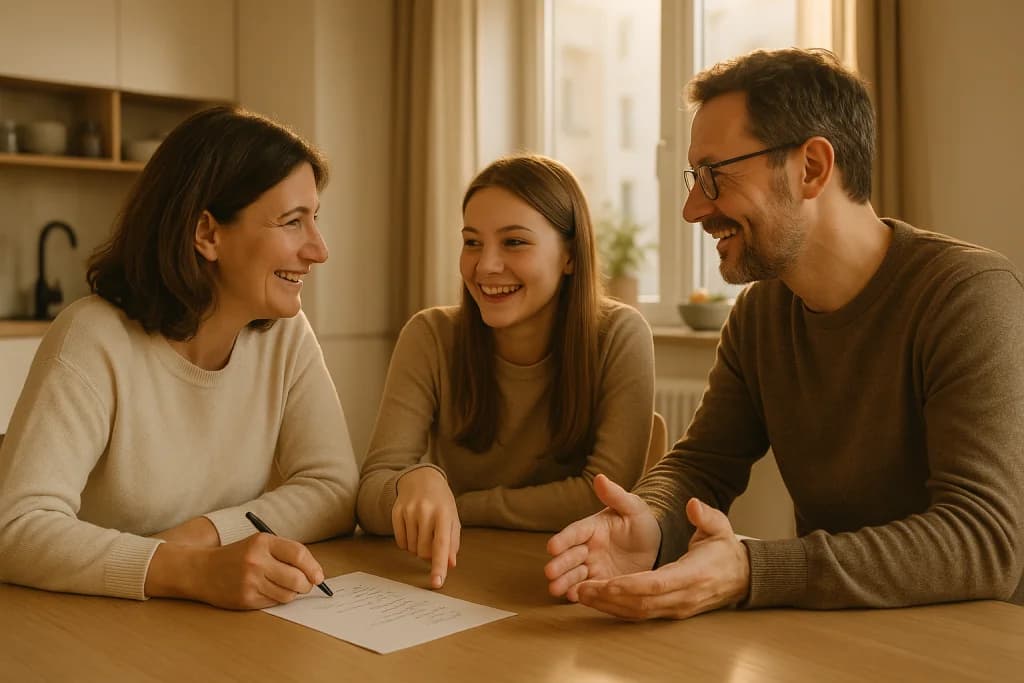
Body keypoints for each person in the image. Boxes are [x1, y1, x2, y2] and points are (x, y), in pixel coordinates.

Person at [545, 48, 1024, 618]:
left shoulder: (968, 294)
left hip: (976, 647)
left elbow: (984, 542)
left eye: (714, 175)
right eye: (694, 177)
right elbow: (702, 465)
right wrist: (648, 521)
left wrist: (753, 570)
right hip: (835, 635)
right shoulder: (760, 313)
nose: (693, 209)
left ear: (813, 168)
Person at [0, 106, 359, 609]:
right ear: (207, 234)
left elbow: (335, 489)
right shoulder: (93, 338)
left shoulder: (285, 335)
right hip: (89, 629)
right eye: (292, 222)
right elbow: (16, 528)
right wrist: (191, 570)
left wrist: (206, 536)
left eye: (314, 219)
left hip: (202, 628)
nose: (318, 249)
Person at [357, 154, 655, 588]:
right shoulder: (430, 336)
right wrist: (413, 482)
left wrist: (459, 505)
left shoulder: (620, 335)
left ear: (570, 255)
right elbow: (369, 497)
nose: (486, 266)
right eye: (472, 242)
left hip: (569, 581)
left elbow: (602, 495)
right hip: (457, 578)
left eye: (514, 242)